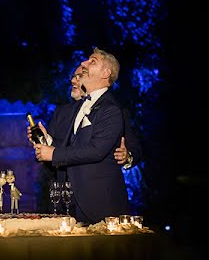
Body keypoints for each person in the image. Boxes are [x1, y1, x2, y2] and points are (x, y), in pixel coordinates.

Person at [33, 48, 130, 225]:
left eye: (92, 61)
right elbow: (73, 145)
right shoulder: (77, 107)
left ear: (106, 73)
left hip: (99, 206)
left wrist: (53, 153)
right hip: (69, 205)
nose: (84, 64)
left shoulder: (111, 110)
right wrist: (49, 142)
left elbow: (96, 150)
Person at [29, 67, 141, 169]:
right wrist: (44, 142)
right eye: (73, 76)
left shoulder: (113, 110)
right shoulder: (61, 112)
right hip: (62, 186)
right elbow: (54, 153)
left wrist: (128, 157)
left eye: (80, 76)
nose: (73, 80)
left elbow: (134, 148)